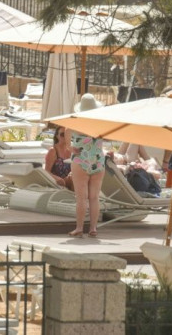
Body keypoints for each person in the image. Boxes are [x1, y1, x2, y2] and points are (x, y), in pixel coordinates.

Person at [69, 93, 106, 238]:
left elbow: (65, 130)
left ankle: (79, 227)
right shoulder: (101, 122)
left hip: (81, 159)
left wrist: (68, 147)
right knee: (94, 197)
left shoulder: (77, 121)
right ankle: (93, 228)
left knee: (81, 197)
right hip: (97, 160)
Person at [44, 125, 73, 190]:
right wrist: (59, 179)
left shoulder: (72, 151)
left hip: (68, 180)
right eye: (62, 134)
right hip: (57, 182)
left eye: (67, 134)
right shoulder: (53, 151)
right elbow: (46, 171)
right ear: (57, 136)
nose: (65, 136)